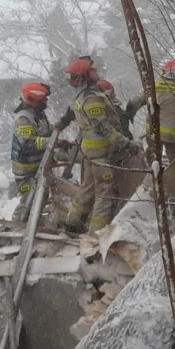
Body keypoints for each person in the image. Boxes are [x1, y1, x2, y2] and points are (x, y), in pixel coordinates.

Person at [57, 56, 144, 233]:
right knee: (105, 194)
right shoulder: (91, 99)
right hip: (100, 155)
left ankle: (72, 222)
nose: (96, 72)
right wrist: (128, 144)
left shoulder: (88, 95)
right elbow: (103, 129)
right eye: (92, 70)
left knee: (87, 190)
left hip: (92, 153)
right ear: (84, 76)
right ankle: (96, 235)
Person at [126, 60, 175, 198]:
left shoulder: (154, 86)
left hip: (154, 133)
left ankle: (153, 187)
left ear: (165, 73)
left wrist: (128, 117)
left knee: (154, 160)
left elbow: (134, 102)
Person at [11, 81, 68, 222]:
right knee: (30, 199)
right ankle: (16, 225)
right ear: (34, 100)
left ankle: (30, 224)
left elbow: (47, 132)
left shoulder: (38, 115)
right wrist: (54, 142)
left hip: (38, 166)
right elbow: (27, 143)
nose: (47, 102)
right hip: (26, 171)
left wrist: (63, 123)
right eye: (44, 99)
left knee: (40, 197)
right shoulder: (24, 119)